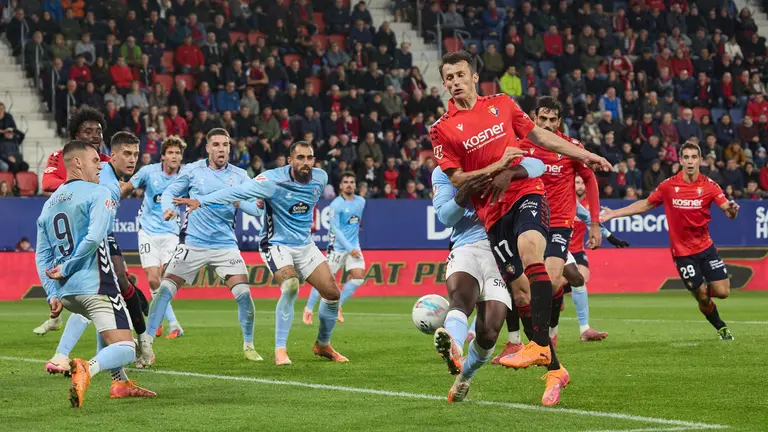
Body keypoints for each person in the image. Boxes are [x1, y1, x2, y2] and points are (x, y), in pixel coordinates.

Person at [430, 50, 611, 407]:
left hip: (526, 196)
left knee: (531, 250)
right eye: (448, 78)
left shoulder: (502, 104)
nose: (454, 83)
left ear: (473, 76)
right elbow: (460, 179)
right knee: (523, 295)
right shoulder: (441, 129)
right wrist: (497, 166)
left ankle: (541, 346)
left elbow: (541, 139)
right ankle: (554, 367)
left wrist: (582, 154)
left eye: (459, 75)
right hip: (491, 216)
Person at [173, 141, 349, 366]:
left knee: (333, 293)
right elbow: (235, 192)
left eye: (309, 158)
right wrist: (201, 201)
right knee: (291, 285)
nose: (306, 163)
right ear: (290, 161)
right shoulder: (271, 181)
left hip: (305, 246)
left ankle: (323, 345)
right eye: (300, 158)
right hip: (275, 244)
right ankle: (280, 350)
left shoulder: (320, 178)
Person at [35, 140, 154, 408]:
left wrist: (52, 294)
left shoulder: (49, 203)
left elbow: (41, 255)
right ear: (77, 162)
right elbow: (95, 237)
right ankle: (87, 368)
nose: (99, 166)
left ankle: (120, 383)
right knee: (126, 347)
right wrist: (69, 266)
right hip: (97, 286)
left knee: (105, 327)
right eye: (93, 161)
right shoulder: (98, 193)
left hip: (67, 294)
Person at [134, 129, 263, 367]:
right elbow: (171, 191)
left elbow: (254, 209)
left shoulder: (240, 175)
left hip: (225, 245)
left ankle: (249, 345)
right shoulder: (193, 171)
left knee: (244, 295)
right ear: (208, 148)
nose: (222, 149)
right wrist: (166, 208)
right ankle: (146, 344)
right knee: (163, 290)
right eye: (216, 144)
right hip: (193, 243)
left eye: (225, 144)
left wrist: (253, 203)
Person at [431, 155, 544, 401]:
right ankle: (454, 348)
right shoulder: (445, 172)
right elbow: (445, 217)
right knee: (461, 298)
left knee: (489, 333)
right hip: (466, 247)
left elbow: (538, 165)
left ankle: (464, 376)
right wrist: (464, 192)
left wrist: (509, 173)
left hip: (501, 251)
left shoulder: (498, 156)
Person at [601, 142, 738, 340]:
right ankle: (720, 326)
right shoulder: (668, 186)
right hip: (682, 252)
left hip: (706, 248)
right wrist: (615, 213)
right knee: (701, 295)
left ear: (699, 160)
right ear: (680, 160)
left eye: (694, 157)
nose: (690, 161)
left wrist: (732, 210)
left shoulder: (710, 186)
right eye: (687, 157)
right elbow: (646, 204)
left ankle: (697, 288)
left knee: (723, 292)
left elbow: (728, 210)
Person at [34, 107, 147, 336]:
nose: (95, 136)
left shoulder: (105, 162)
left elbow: (115, 189)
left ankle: (141, 333)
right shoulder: (60, 156)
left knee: (119, 279)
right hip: (73, 226)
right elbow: (47, 184)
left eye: (98, 131)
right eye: (88, 131)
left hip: (99, 228)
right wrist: (80, 188)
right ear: (76, 135)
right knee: (87, 283)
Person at [514, 96, 604, 352]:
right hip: (529, 220)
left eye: (553, 119)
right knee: (521, 283)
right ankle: (526, 339)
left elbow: (590, 180)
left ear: (559, 121)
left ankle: (546, 336)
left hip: (559, 223)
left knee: (552, 283)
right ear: (534, 118)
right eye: (542, 118)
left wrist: (595, 224)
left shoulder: (570, 147)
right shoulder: (522, 146)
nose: (547, 124)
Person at [120, 136, 186, 339]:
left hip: (171, 234)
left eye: (178, 153)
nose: (174, 156)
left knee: (167, 278)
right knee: (153, 278)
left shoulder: (186, 177)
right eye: (171, 153)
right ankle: (173, 324)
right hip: (148, 232)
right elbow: (127, 188)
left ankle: (158, 321)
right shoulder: (149, 172)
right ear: (163, 155)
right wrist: (110, 196)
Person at [566, 175, 629, 339]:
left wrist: (611, 237)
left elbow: (590, 220)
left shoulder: (583, 204)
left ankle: (584, 329)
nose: (580, 186)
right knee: (556, 285)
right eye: (577, 182)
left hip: (576, 250)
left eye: (582, 183)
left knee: (581, 279)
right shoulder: (561, 197)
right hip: (556, 248)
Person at [303, 172, 366, 325]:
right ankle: (308, 309)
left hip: (353, 247)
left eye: (352, 181)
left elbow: (354, 224)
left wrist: (352, 246)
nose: (349, 184)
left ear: (355, 185)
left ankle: (338, 306)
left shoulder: (361, 201)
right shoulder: (336, 205)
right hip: (337, 248)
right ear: (340, 185)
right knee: (324, 281)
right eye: (346, 182)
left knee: (358, 277)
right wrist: (349, 247)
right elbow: (336, 229)